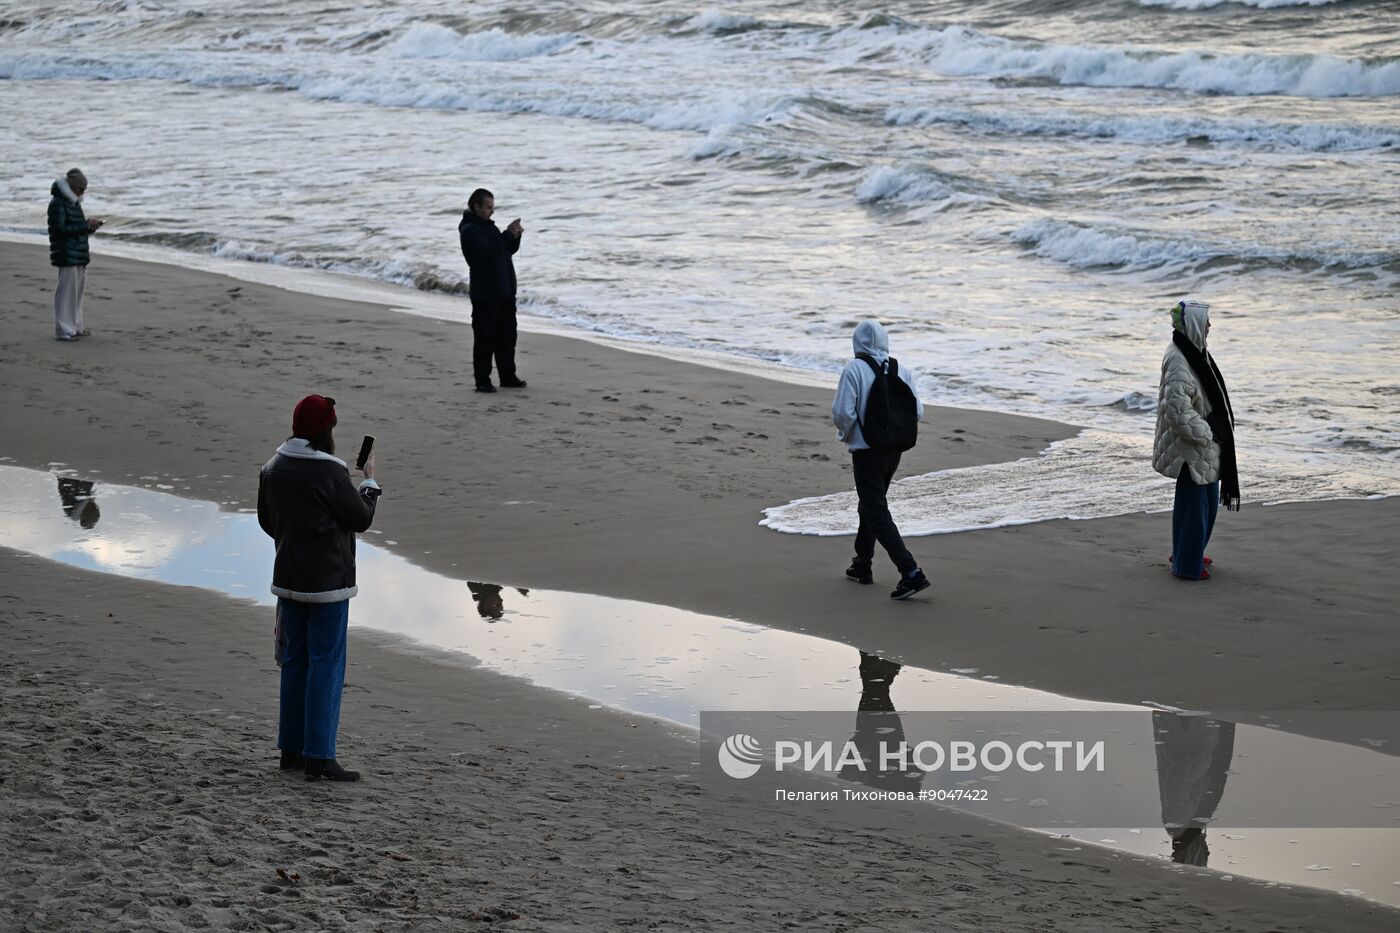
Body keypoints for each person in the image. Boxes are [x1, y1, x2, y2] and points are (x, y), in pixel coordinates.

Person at [258, 394, 382, 782]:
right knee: (326, 665)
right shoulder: (330, 472)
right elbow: (361, 518)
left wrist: (294, 539)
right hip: (327, 585)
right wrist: (370, 482)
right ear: (325, 430)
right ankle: (320, 756)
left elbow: (267, 521)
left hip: (289, 580)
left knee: (295, 663)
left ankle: (291, 751)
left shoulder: (273, 466)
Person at [831, 320, 931, 600]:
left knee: (876, 509)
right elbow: (918, 411)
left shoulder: (854, 370)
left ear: (857, 343)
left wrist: (847, 435)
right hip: (894, 450)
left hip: (867, 451)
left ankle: (911, 572)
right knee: (871, 505)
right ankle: (862, 564)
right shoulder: (901, 370)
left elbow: (843, 413)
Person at [1152, 300, 1240, 581]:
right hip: (1192, 447)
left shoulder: (1193, 350)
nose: (1210, 326)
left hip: (1204, 444)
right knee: (1193, 509)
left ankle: (1188, 552)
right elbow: (1177, 410)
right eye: (1206, 321)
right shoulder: (1179, 359)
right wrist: (1207, 434)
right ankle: (1186, 565)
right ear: (1193, 325)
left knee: (1206, 505)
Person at [459, 187, 526, 393]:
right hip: (486, 294)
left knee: (507, 337)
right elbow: (488, 251)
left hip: (504, 292)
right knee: (485, 338)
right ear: (476, 206)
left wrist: (515, 236)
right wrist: (507, 234)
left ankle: (507, 376)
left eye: (492, 207)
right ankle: (482, 381)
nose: (491, 211)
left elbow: (504, 250)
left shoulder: (489, 227)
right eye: (488, 207)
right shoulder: (470, 230)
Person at [47, 167, 103, 341]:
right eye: (80, 188)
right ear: (72, 186)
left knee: (77, 293)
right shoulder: (57, 203)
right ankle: (63, 330)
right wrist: (84, 225)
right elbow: (59, 230)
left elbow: (75, 228)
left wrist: (89, 228)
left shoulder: (73, 202)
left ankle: (76, 326)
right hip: (66, 253)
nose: (82, 192)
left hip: (77, 253)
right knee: (67, 293)